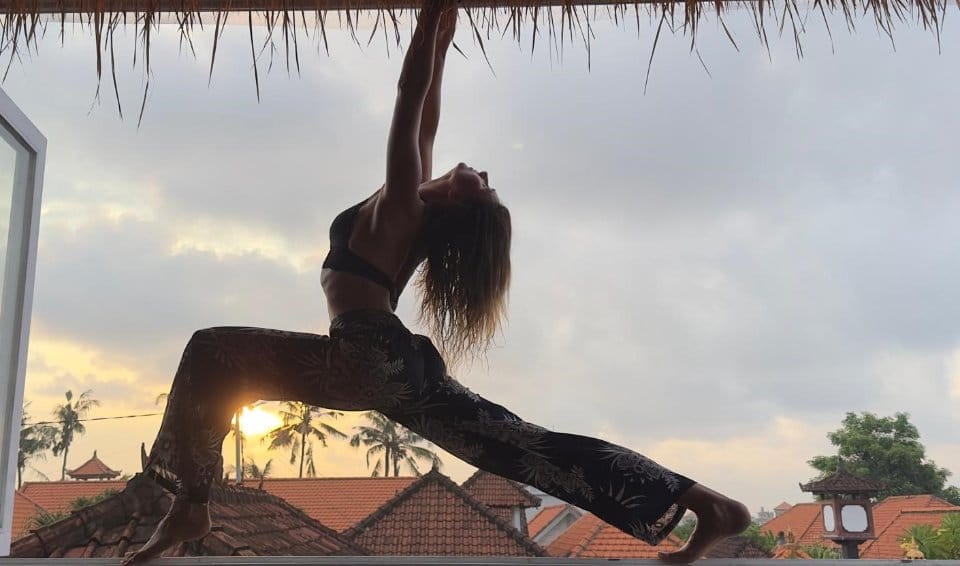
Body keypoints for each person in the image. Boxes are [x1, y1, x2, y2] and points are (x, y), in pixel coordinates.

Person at [122, 1, 750, 564]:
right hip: (396, 364)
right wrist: (445, 38)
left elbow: (405, 101)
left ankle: (189, 505)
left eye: (485, 185)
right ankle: (705, 503)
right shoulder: (413, 198)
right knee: (519, 443)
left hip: (364, 352)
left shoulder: (403, 208)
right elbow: (424, 118)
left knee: (212, 350)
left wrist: (427, 19)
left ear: (460, 209)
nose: (481, 169)